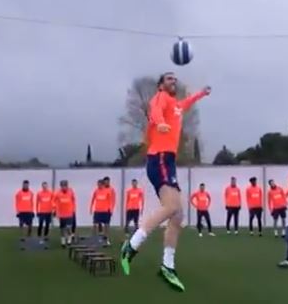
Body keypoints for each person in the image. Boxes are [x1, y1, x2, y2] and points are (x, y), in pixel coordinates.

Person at [120, 71, 211, 292]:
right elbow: (156, 110)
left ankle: (167, 266)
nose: (174, 81)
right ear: (161, 85)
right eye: (169, 78)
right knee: (171, 207)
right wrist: (159, 123)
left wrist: (201, 94)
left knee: (178, 215)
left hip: (166, 160)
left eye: (175, 79)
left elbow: (185, 103)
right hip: (159, 157)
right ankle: (131, 246)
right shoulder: (160, 98)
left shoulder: (176, 105)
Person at [54, 180, 76, 247]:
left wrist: (73, 209)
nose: (64, 187)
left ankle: (69, 239)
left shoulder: (71, 192)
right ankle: (63, 241)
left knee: (68, 227)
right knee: (62, 228)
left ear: (67, 186)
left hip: (69, 213)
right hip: (61, 214)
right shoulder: (58, 193)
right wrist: (55, 209)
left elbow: (73, 200)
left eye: (65, 186)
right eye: (62, 186)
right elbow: (54, 201)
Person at [90, 179, 112, 245]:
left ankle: (107, 240)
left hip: (105, 211)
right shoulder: (96, 191)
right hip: (97, 211)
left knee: (106, 226)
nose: (98, 186)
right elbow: (93, 200)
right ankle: (94, 239)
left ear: (103, 185)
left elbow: (110, 201)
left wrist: (110, 210)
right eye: (98, 184)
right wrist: (91, 208)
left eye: (99, 184)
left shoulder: (107, 191)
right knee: (95, 225)